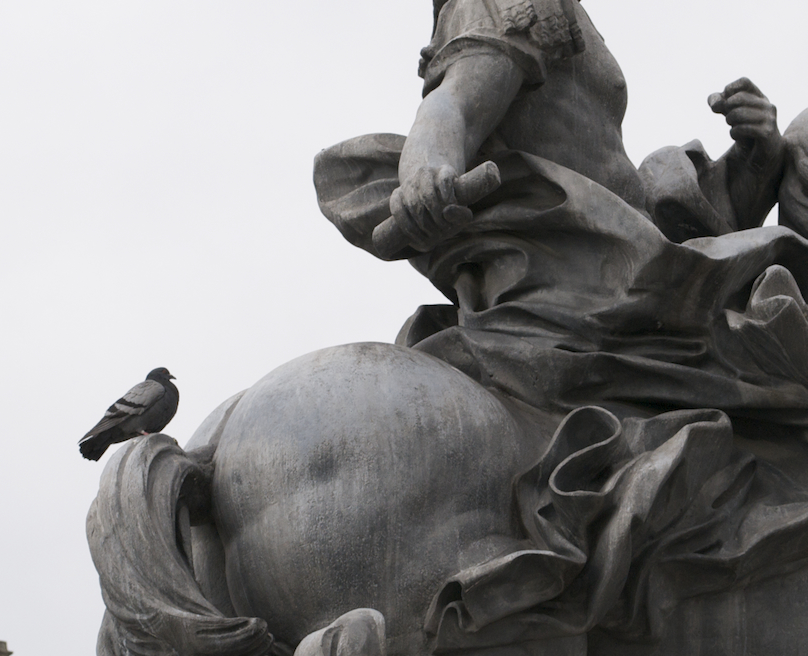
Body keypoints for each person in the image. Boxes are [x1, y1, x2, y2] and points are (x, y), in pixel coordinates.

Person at [314, 0, 808, 423]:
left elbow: (623, 192)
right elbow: (456, 104)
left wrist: (758, 155)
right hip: (596, 277)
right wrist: (428, 169)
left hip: (624, 259)